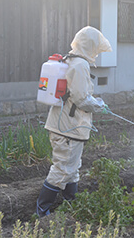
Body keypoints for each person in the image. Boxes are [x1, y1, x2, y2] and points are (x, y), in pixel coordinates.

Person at [36, 26, 112, 217]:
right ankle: (42, 210)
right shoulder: (80, 65)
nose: (96, 53)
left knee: (72, 167)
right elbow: (82, 99)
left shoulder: (71, 60)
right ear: (90, 46)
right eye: (96, 48)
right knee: (63, 168)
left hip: (66, 125)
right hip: (68, 128)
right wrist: (100, 105)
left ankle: (71, 203)